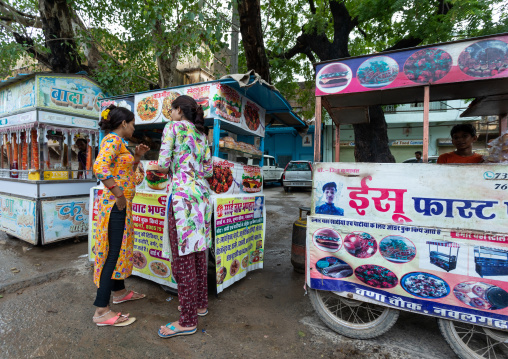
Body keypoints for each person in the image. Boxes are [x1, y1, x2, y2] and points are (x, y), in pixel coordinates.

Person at [157, 95, 213, 339]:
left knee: (183, 259)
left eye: (172, 110)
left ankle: (187, 320)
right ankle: (199, 305)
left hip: (181, 198)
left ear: (179, 110)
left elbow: (162, 163)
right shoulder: (202, 135)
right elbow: (209, 171)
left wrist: (161, 168)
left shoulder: (173, 128)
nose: (170, 114)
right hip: (201, 197)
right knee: (199, 253)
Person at [92, 105, 149, 327]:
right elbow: (100, 167)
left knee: (118, 250)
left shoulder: (121, 145)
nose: (134, 127)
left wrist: (136, 158)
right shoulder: (113, 140)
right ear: (124, 123)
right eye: (133, 123)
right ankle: (101, 311)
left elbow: (129, 177)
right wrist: (119, 195)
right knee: (112, 254)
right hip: (114, 207)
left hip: (120, 206)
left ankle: (120, 292)